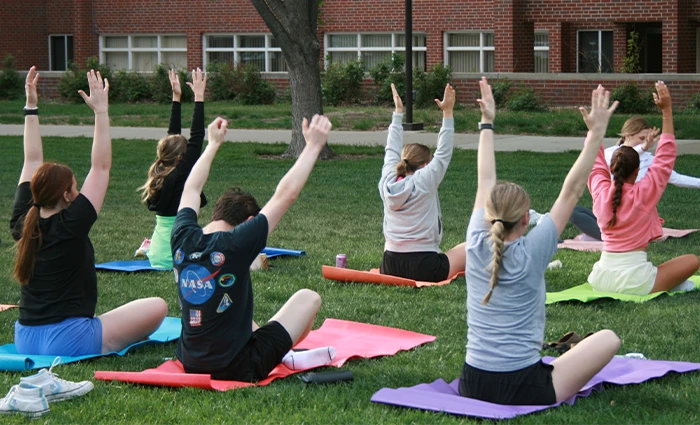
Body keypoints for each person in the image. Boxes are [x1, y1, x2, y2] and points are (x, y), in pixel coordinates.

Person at [461, 78, 620, 406]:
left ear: (489, 216)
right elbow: (572, 189)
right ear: (525, 219)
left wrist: (487, 122)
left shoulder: (475, 240)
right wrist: (596, 134)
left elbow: (484, 179)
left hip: (472, 383)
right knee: (608, 339)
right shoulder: (535, 248)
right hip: (524, 387)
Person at [10, 67, 167, 360]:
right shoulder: (73, 222)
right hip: (69, 339)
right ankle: (106, 340)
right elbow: (101, 166)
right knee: (158, 305)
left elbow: (31, 159)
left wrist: (31, 106)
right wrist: (101, 113)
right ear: (68, 196)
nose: (79, 191)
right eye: (75, 187)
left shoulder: (22, 220)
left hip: (25, 338)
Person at [171, 114, 333, 382]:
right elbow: (285, 195)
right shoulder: (236, 243)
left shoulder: (182, 236)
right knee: (309, 298)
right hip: (239, 367)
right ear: (247, 222)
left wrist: (212, 144)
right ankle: (283, 355)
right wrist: (313, 147)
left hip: (190, 362)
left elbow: (191, 187)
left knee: (232, 310)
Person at [587, 82, 700, 295]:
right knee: (693, 260)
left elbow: (593, 162)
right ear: (637, 171)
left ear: (613, 167)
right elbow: (665, 158)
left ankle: (671, 283)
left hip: (600, 279)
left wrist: (595, 129)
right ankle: (672, 285)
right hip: (636, 281)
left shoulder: (601, 193)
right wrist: (666, 111)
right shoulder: (644, 194)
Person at [533, 116, 700, 241]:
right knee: (574, 211)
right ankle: (595, 234)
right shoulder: (611, 154)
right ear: (628, 135)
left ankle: (604, 237)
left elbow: (677, 178)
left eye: (649, 140)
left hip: (632, 219)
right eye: (642, 139)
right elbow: (617, 159)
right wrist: (642, 148)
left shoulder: (649, 160)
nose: (647, 143)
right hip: (609, 214)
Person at [378, 83, 466, 282]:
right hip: (425, 266)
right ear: (426, 164)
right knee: (473, 246)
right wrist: (448, 113)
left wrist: (398, 113)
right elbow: (443, 153)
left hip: (390, 265)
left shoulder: (387, 180)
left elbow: (391, 150)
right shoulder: (426, 179)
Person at [138, 69, 208, 268]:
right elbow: (197, 136)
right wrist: (199, 97)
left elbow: (173, 136)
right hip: (179, 257)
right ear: (181, 157)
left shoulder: (160, 170)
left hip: (159, 255)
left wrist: (176, 97)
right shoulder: (181, 173)